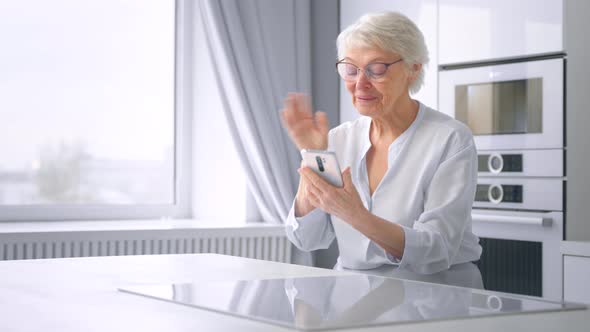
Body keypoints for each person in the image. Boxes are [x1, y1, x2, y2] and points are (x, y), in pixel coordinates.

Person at [280, 11, 482, 283]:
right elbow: (307, 238)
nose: (360, 83)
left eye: (377, 69)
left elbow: (437, 249)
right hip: (352, 296)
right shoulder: (338, 139)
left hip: (434, 296)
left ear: (413, 68)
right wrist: (313, 157)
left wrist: (356, 216)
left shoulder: (450, 139)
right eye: (350, 69)